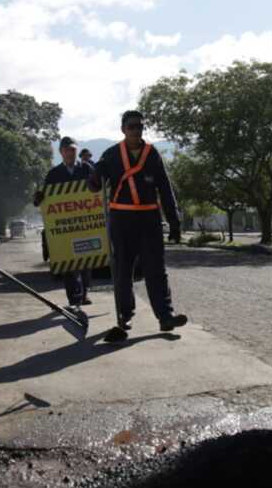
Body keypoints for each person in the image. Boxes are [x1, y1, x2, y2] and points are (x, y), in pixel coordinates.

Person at [89, 110, 187, 332]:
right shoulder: (111, 154)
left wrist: (174, 222)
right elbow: (94, 186)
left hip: (149, 219)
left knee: (156, 269)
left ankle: (165, 316)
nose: (136, 130)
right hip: (122, 220)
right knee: (123, 270)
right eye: (131, 126)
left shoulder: (152, 155)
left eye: (139, 126)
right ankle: (125, 316)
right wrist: (96, 173)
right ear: (123, 129)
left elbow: (165, 189)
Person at [33, 136, 93, 310]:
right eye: (67, 149)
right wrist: (37, 198)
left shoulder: (87, 169)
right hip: (64, 227)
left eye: (73, 149)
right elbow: (43, 197)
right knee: (68, 262)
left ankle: (85, 292)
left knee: (87, 260)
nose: (70, 152)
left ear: (76, 150)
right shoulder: (53, 174)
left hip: (85, 223)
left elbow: (98, 189)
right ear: (61, 152)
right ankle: (74, 298)